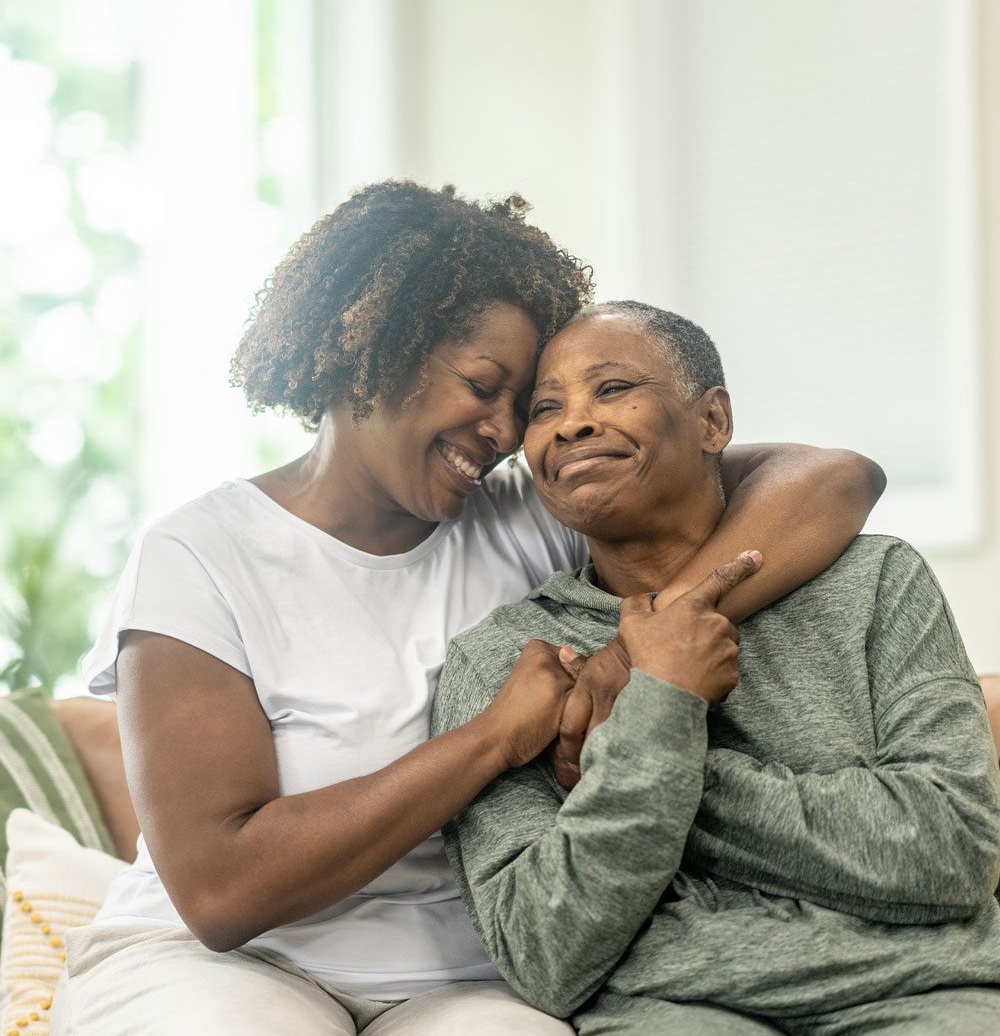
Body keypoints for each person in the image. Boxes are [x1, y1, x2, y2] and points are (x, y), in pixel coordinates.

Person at [53, 184, 884, 1036]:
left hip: (467, 976)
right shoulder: (202, 553)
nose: (500, 432)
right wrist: (490, 738)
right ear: (372, 350)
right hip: (226, 964)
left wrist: (642, 646)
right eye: (482, 386)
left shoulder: (527, 515)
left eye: (519, 407)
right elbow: (224, 891)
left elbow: (833, 478)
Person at [432, 301, 1000, 1035]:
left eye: (610, 389)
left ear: (713, 422)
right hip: (680, 1010)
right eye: (547, 407)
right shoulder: (511, 661)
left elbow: (953, 851)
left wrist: (640, 742)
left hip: (931, 993)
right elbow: (545, 951)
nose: (572, 422)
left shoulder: (878, 579)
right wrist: (667, 695)